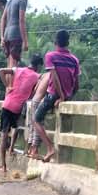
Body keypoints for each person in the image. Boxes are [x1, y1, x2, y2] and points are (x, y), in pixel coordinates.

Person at [33, 29, 81, 163]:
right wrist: (68, 96)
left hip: (54, 95)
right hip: (67, 95)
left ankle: (49, 148)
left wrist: (61, 97)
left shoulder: (51, 56)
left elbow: (54, 78)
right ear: (68, 43)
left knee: (36, 119)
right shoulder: (74, 60)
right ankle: (59, 154)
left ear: (55, 42)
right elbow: (76, 84)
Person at [0, 54, 43, 175]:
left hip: (7, 105)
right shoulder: (37, 76)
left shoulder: (18, 69)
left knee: (4, 135)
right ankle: (11, 148)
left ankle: (3, 165)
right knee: (16, 128)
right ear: (38, 66)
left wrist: (8, 86)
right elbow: (35, 93)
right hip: (18, 108)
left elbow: (1, 70)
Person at [2, 0, 32, 84]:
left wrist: (2, 36)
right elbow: (21, 20)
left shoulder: (11, 0)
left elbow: (3, 19)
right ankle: (11, 90)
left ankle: (8, 91)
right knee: (13, 65)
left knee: (9, 65)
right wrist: (25, 41)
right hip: (15, 35)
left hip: (7, 35)